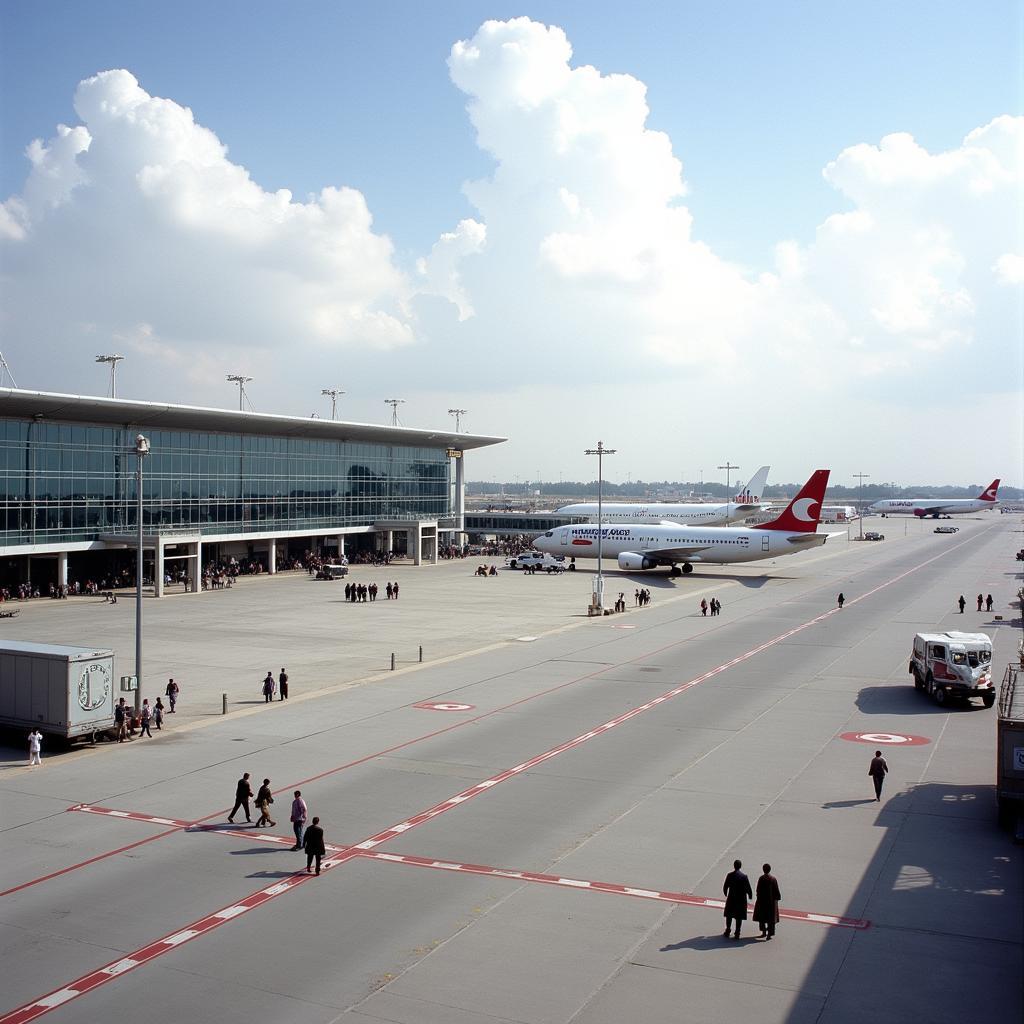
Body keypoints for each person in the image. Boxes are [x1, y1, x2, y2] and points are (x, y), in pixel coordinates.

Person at [722, 859, 752, 939]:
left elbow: (725, 886)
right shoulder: (744, 876)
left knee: (729, 915)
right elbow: (748, 887)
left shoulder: (730, 875)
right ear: (740, 866)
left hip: (731, 898)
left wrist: (725, 892)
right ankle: (737, 932)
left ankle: (728, 930)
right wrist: (750, 894)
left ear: (734, 866)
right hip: (741, 899)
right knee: (739, 916)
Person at [753, 864, 782, 939]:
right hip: (771, 902)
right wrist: (778, 897)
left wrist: (758, 897)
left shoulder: (761, 878)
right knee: (771, 919)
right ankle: (769, 933)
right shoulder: (773, 879)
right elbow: (776, 890)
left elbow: (758, 889)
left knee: (762, 917)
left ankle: (763, 932)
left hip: (762, 901)